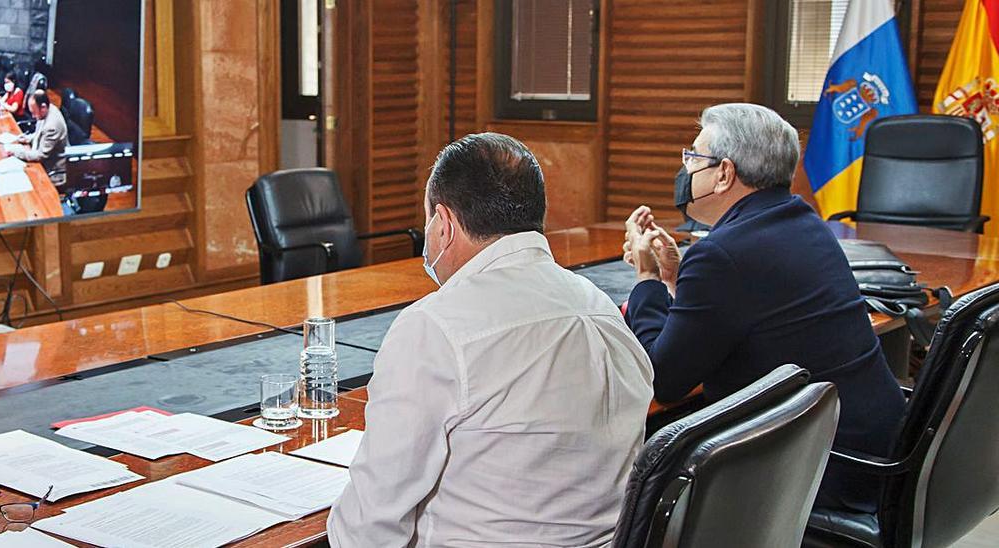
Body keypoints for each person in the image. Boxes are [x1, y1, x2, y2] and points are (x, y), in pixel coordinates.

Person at [327, 133, 654, 547]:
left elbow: (366, 529)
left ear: (443, 224)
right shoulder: (599, 307)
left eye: (428, 221)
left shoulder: (435, 326)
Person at [621, 103, 905, 514]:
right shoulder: (804, 222)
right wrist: (674, 279)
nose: (685, 169)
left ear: (724, 174)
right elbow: (742, 312)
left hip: (822, 471)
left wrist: (646, 277)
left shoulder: (723, 255)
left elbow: (663, 380)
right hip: (873, 452)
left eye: (693, 157)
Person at [5, 91, 68, 185]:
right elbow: (40, 132)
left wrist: (16, 153)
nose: (33, 116)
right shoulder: (47, 110)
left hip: (51, 171)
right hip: (42, 160)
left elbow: (40, 155)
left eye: (34, 112)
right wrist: (28, 138)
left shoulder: (52, 126)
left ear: (43, 107)